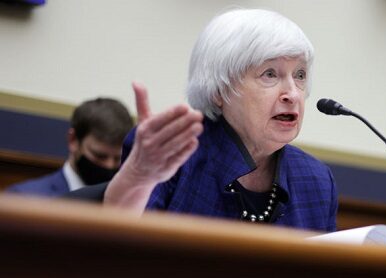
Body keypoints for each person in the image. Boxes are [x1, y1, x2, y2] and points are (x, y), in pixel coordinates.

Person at [104, 8, 338, 232]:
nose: (293, 94)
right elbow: (119, 248)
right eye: (270, 74)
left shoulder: (316, 180)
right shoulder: (173, 154)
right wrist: (139, 176)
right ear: (219, 90)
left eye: (300, 75)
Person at [7, 98, 133, 197]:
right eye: (99, 156)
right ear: (73, 140)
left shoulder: (135, 206)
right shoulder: (24, 198)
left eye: (118, 158)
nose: (109, 165)